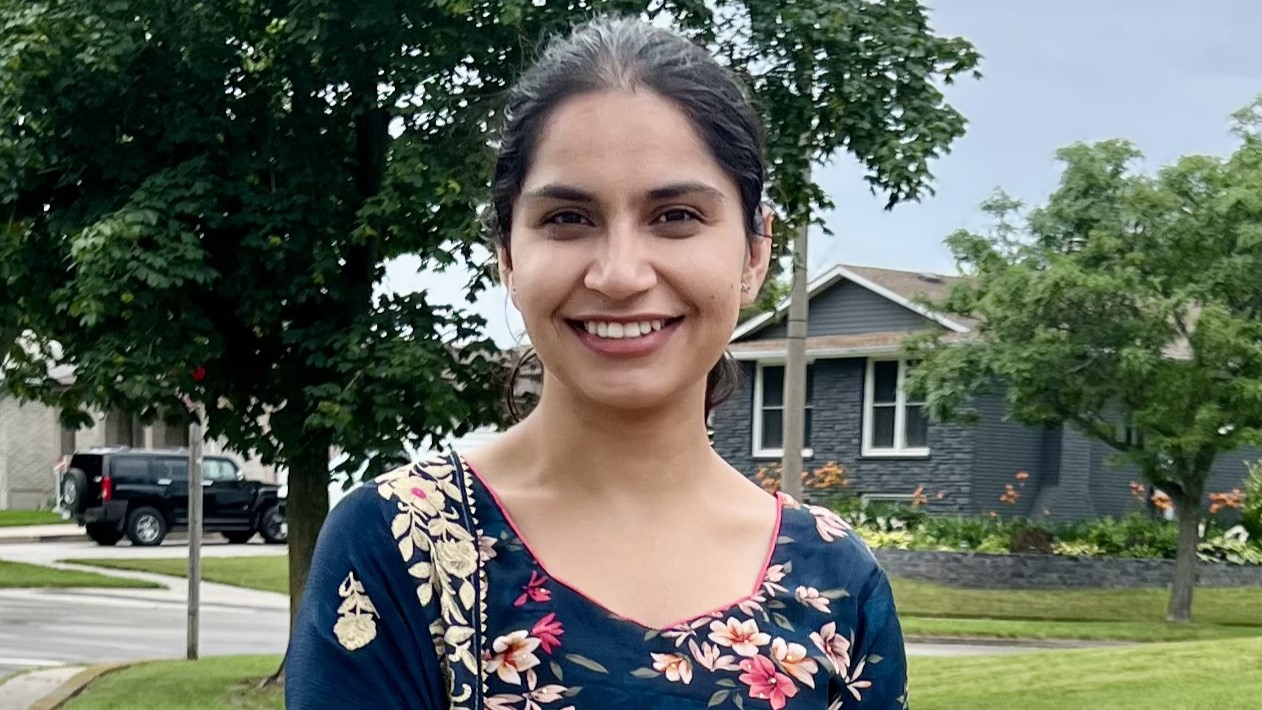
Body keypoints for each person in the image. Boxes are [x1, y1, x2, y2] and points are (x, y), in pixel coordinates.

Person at [286, 16, 908, 710]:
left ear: (755, 253)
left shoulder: (835, 582)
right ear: (509, 256)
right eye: (569, 220)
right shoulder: (402, 544)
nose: (618, 274)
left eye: (675, 216)